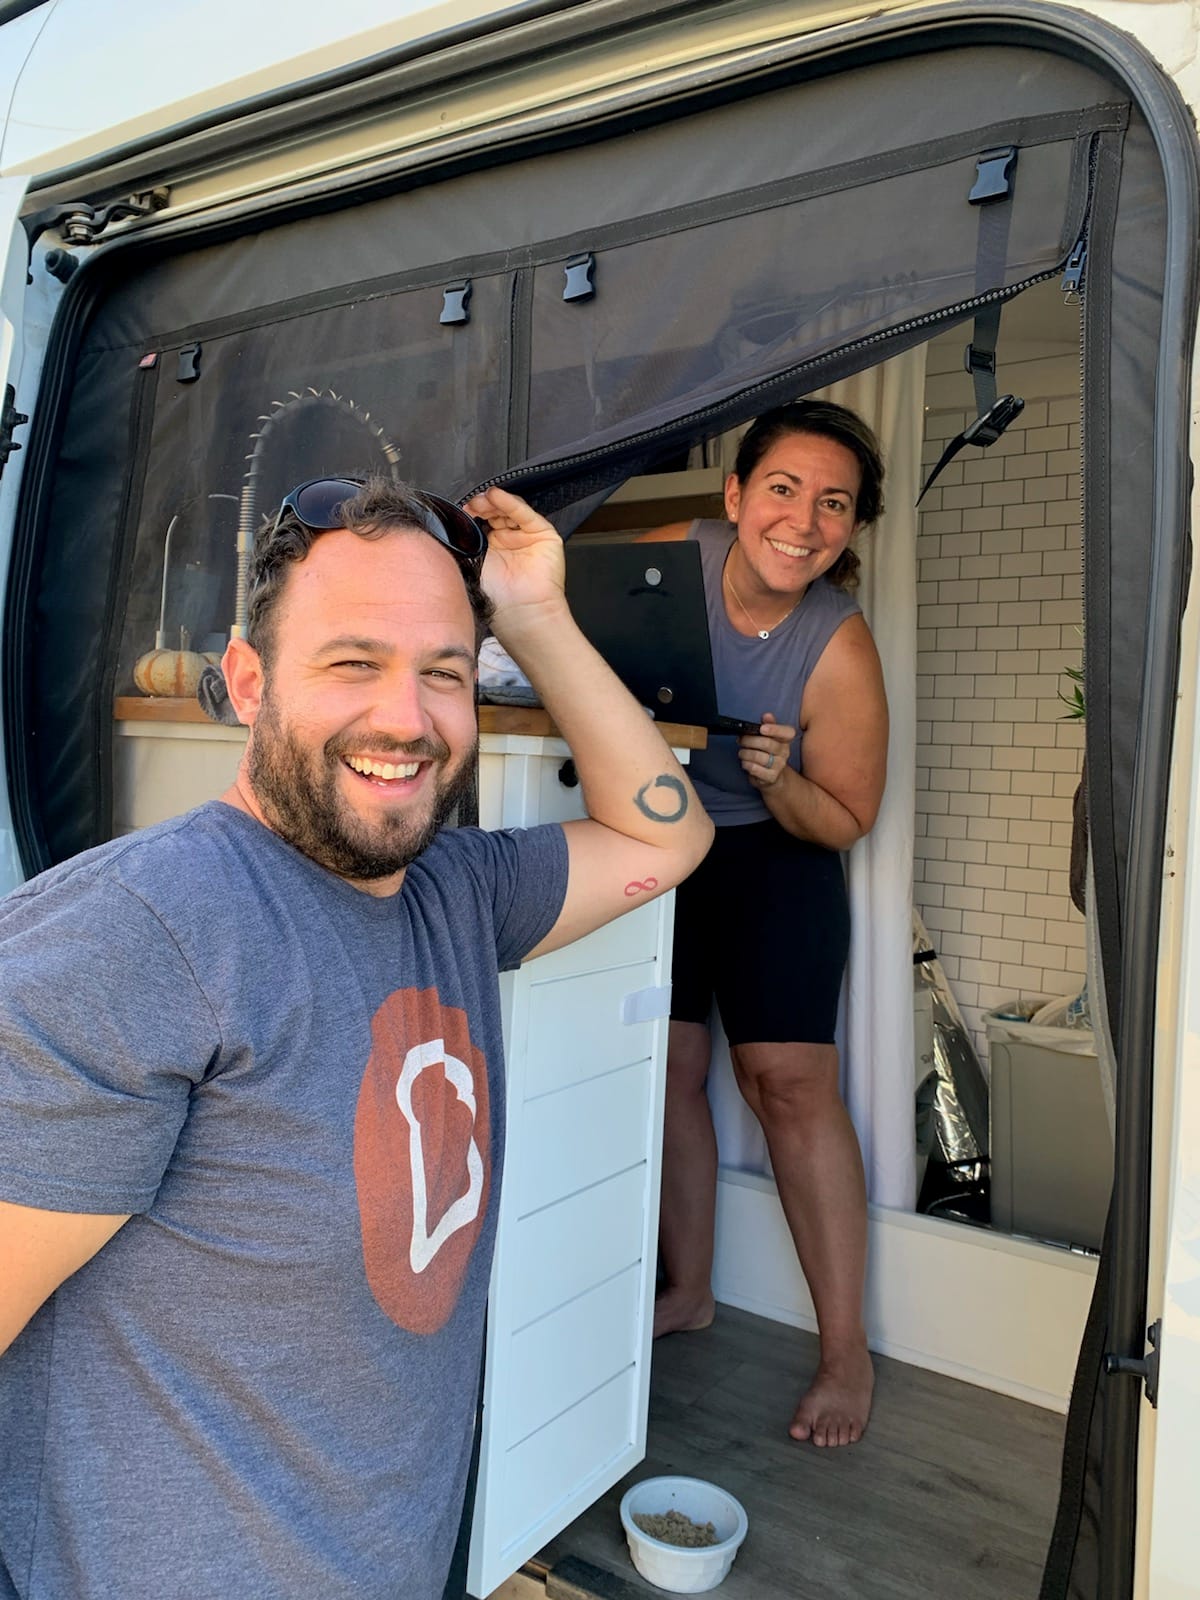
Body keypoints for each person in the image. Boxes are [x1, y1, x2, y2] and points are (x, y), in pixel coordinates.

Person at [0, 477, 713, 1600]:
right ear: (249, 683)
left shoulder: (457, 894)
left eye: (443, 672)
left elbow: (663, 834)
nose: (407, 718)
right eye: (351, 662)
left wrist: (531, 616)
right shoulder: (137, 936)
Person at [643, 400, 889, 1449]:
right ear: (737, 496)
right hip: (662, 841)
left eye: (833, 503)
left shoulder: (838, 645)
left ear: (848, 528)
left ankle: (848, 1354)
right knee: (664, 1063)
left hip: (777, 852)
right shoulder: (669, 564)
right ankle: (689, 1290)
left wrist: (780, 781)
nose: (804, 518)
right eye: (784, 488)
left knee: (787, 1083)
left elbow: (846, 818)